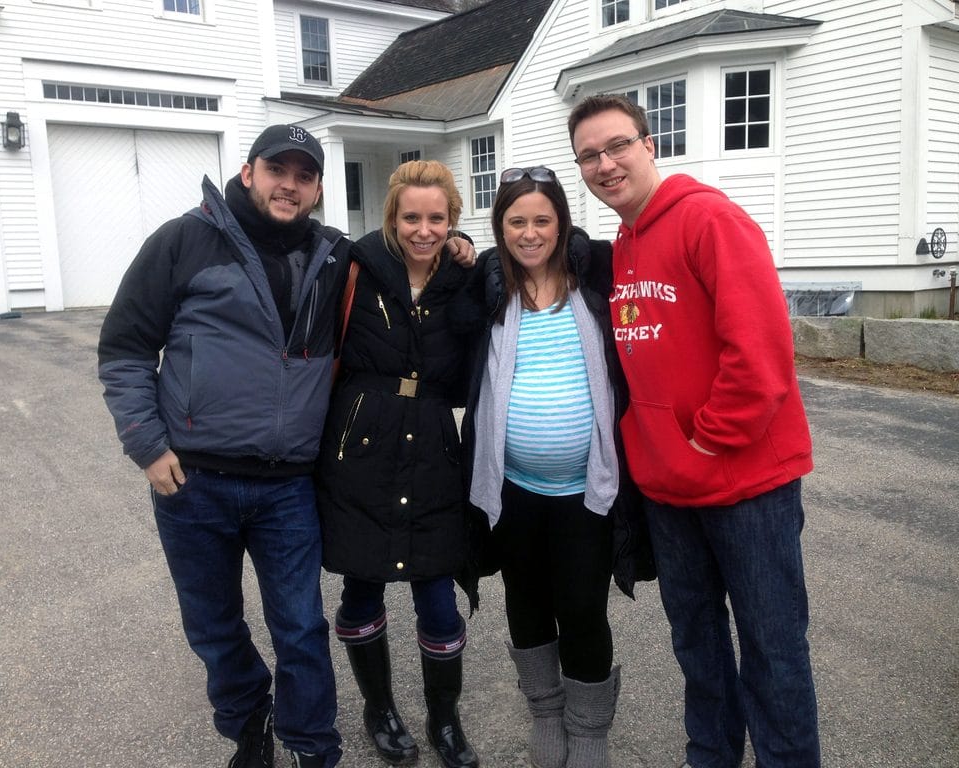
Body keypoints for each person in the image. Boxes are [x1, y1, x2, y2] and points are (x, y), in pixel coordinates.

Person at [568, 94, 820, 768]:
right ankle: (709, 756)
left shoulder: (710, 220)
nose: (605, 163)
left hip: (746, 488)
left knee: (772, 651)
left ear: (651, 146)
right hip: (670, 494)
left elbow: (760, 359)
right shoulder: (621, 247)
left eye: (617, 145)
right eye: (589, 155)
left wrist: (704, 440)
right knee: (698, 648)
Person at [98, 123, 352, 768]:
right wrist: (147, 446)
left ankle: (313, 746)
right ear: (249, 172)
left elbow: (415, 257)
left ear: (318, 187)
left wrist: (462, 245)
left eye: (304, 175)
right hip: (192, 481)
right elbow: (125, 348)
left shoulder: (334, 255)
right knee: (212, 627)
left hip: (288, 484)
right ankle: (248, 721)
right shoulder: (185, 240)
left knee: (300, 629)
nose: (288, 185)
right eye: (277, 170)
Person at [315, 160, 480, 768]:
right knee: (362, 585)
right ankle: (379, 709)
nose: (423, 230)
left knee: (438, 596)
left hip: (434, 450)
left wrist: (470, 253)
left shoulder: (462, 278)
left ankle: (444, 720)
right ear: (392, 217)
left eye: (437, 218)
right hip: (363, 450)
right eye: (411, 217)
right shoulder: (355, 268)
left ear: (453, 221)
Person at [461, 166, 624, 768]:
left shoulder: (596, 278)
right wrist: (456, 247)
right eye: (516, 222)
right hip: (513, 488)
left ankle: (588, 730)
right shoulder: (487, 289)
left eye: (542, 221)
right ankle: (546, 714)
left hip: (588, 490)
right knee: (526, 604)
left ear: (562, 224)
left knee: (583, 608)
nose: (529, 234)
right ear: (499, 228)